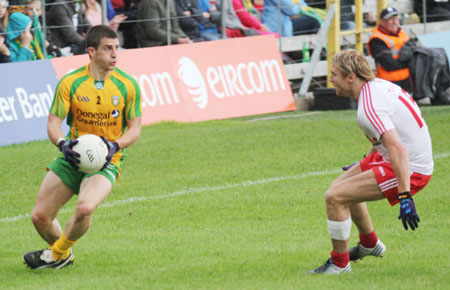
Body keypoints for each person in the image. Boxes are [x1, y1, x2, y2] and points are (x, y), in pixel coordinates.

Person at [22, 24, 142, 270]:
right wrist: (62, 144)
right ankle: (63, 256)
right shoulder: (70, 82)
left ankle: (56, 253)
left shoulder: (128, 85)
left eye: (116, 48)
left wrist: (114, 146)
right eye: (107, 49)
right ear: (91, 51)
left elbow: (135, 129)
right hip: (72, 155)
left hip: (108, 158)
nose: (115, 54)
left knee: (85, 207)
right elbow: (53, 124)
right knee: (40, 217)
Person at [307, 49, 433, 274]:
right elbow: (391, 135)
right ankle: (369, 244)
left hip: (411, 167)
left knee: (335, 197)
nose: (331, 79)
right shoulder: (375, 88)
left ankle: (339, 264)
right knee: (339, 189)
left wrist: (405, 195)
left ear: (351, 77)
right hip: (399, 156)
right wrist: (367, 161)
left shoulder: (369, 106)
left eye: (334, 74)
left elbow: (398, 149)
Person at [367, 7, 412, 93]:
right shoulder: (377, 39)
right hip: (389, 85)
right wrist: (409, 62)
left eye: (396, 19)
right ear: (382, 21)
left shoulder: (402, 34)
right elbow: (389, 65)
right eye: (390, 19)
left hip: (408, 81)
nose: (395, 22)